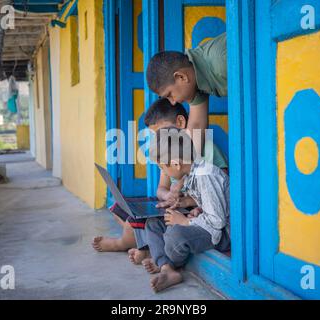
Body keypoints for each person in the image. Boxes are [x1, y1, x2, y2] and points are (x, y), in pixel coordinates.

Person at [92, 99, 228, 263]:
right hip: (192, 210)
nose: (158, 139)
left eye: (161, 133)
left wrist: (189, 215)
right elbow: (162, 189)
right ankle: (156, 256)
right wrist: (174, 198)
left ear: (179, 122)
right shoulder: (170, 157)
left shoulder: (202, 158)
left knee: (164, 231)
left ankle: (142, 249)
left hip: (213, 223)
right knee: (137, 217)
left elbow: (218, 194)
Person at [144, 126, 230, 293]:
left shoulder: (205, 176)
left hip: (222, 233)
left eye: (163, 168)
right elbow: (209, 202)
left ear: (176, 164)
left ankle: (165, 264)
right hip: (206, 222)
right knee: (153, 224)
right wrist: (191, 206)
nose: (163, 172)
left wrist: (185, 221)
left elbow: (218, 221)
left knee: (175, 235)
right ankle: (167, 268)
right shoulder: (192, 172)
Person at [146, 32, 227, 155]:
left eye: (169, 95)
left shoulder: (221, 62)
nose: (173, 102)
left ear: (181, 77)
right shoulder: (194, 84)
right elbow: (196, 125)